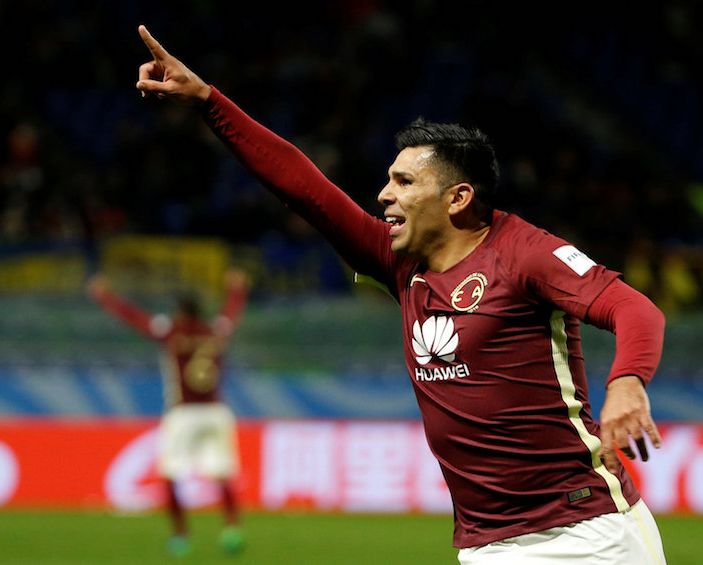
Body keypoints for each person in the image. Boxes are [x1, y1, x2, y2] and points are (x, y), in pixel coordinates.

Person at [134, 25, 668, 564]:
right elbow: (303, 187)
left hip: (587, 534)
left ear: (458, 198)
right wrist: (207, 100)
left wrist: (626, 383)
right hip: (486, 545)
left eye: (405, 182)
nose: (385, 194)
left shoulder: (524, 253)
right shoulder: (399, 262)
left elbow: (633, 307)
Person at [86, 266, 248, 557]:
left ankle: (181, 536)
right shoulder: (215, 330)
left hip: (184, 413)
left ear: (181, 312)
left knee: (172, 475)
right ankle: (232, 529)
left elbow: (134, 318)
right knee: (222, 474)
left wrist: (105, 296)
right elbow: (231, 313)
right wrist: (237, 290)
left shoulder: (172, 331)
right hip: (215, 411)